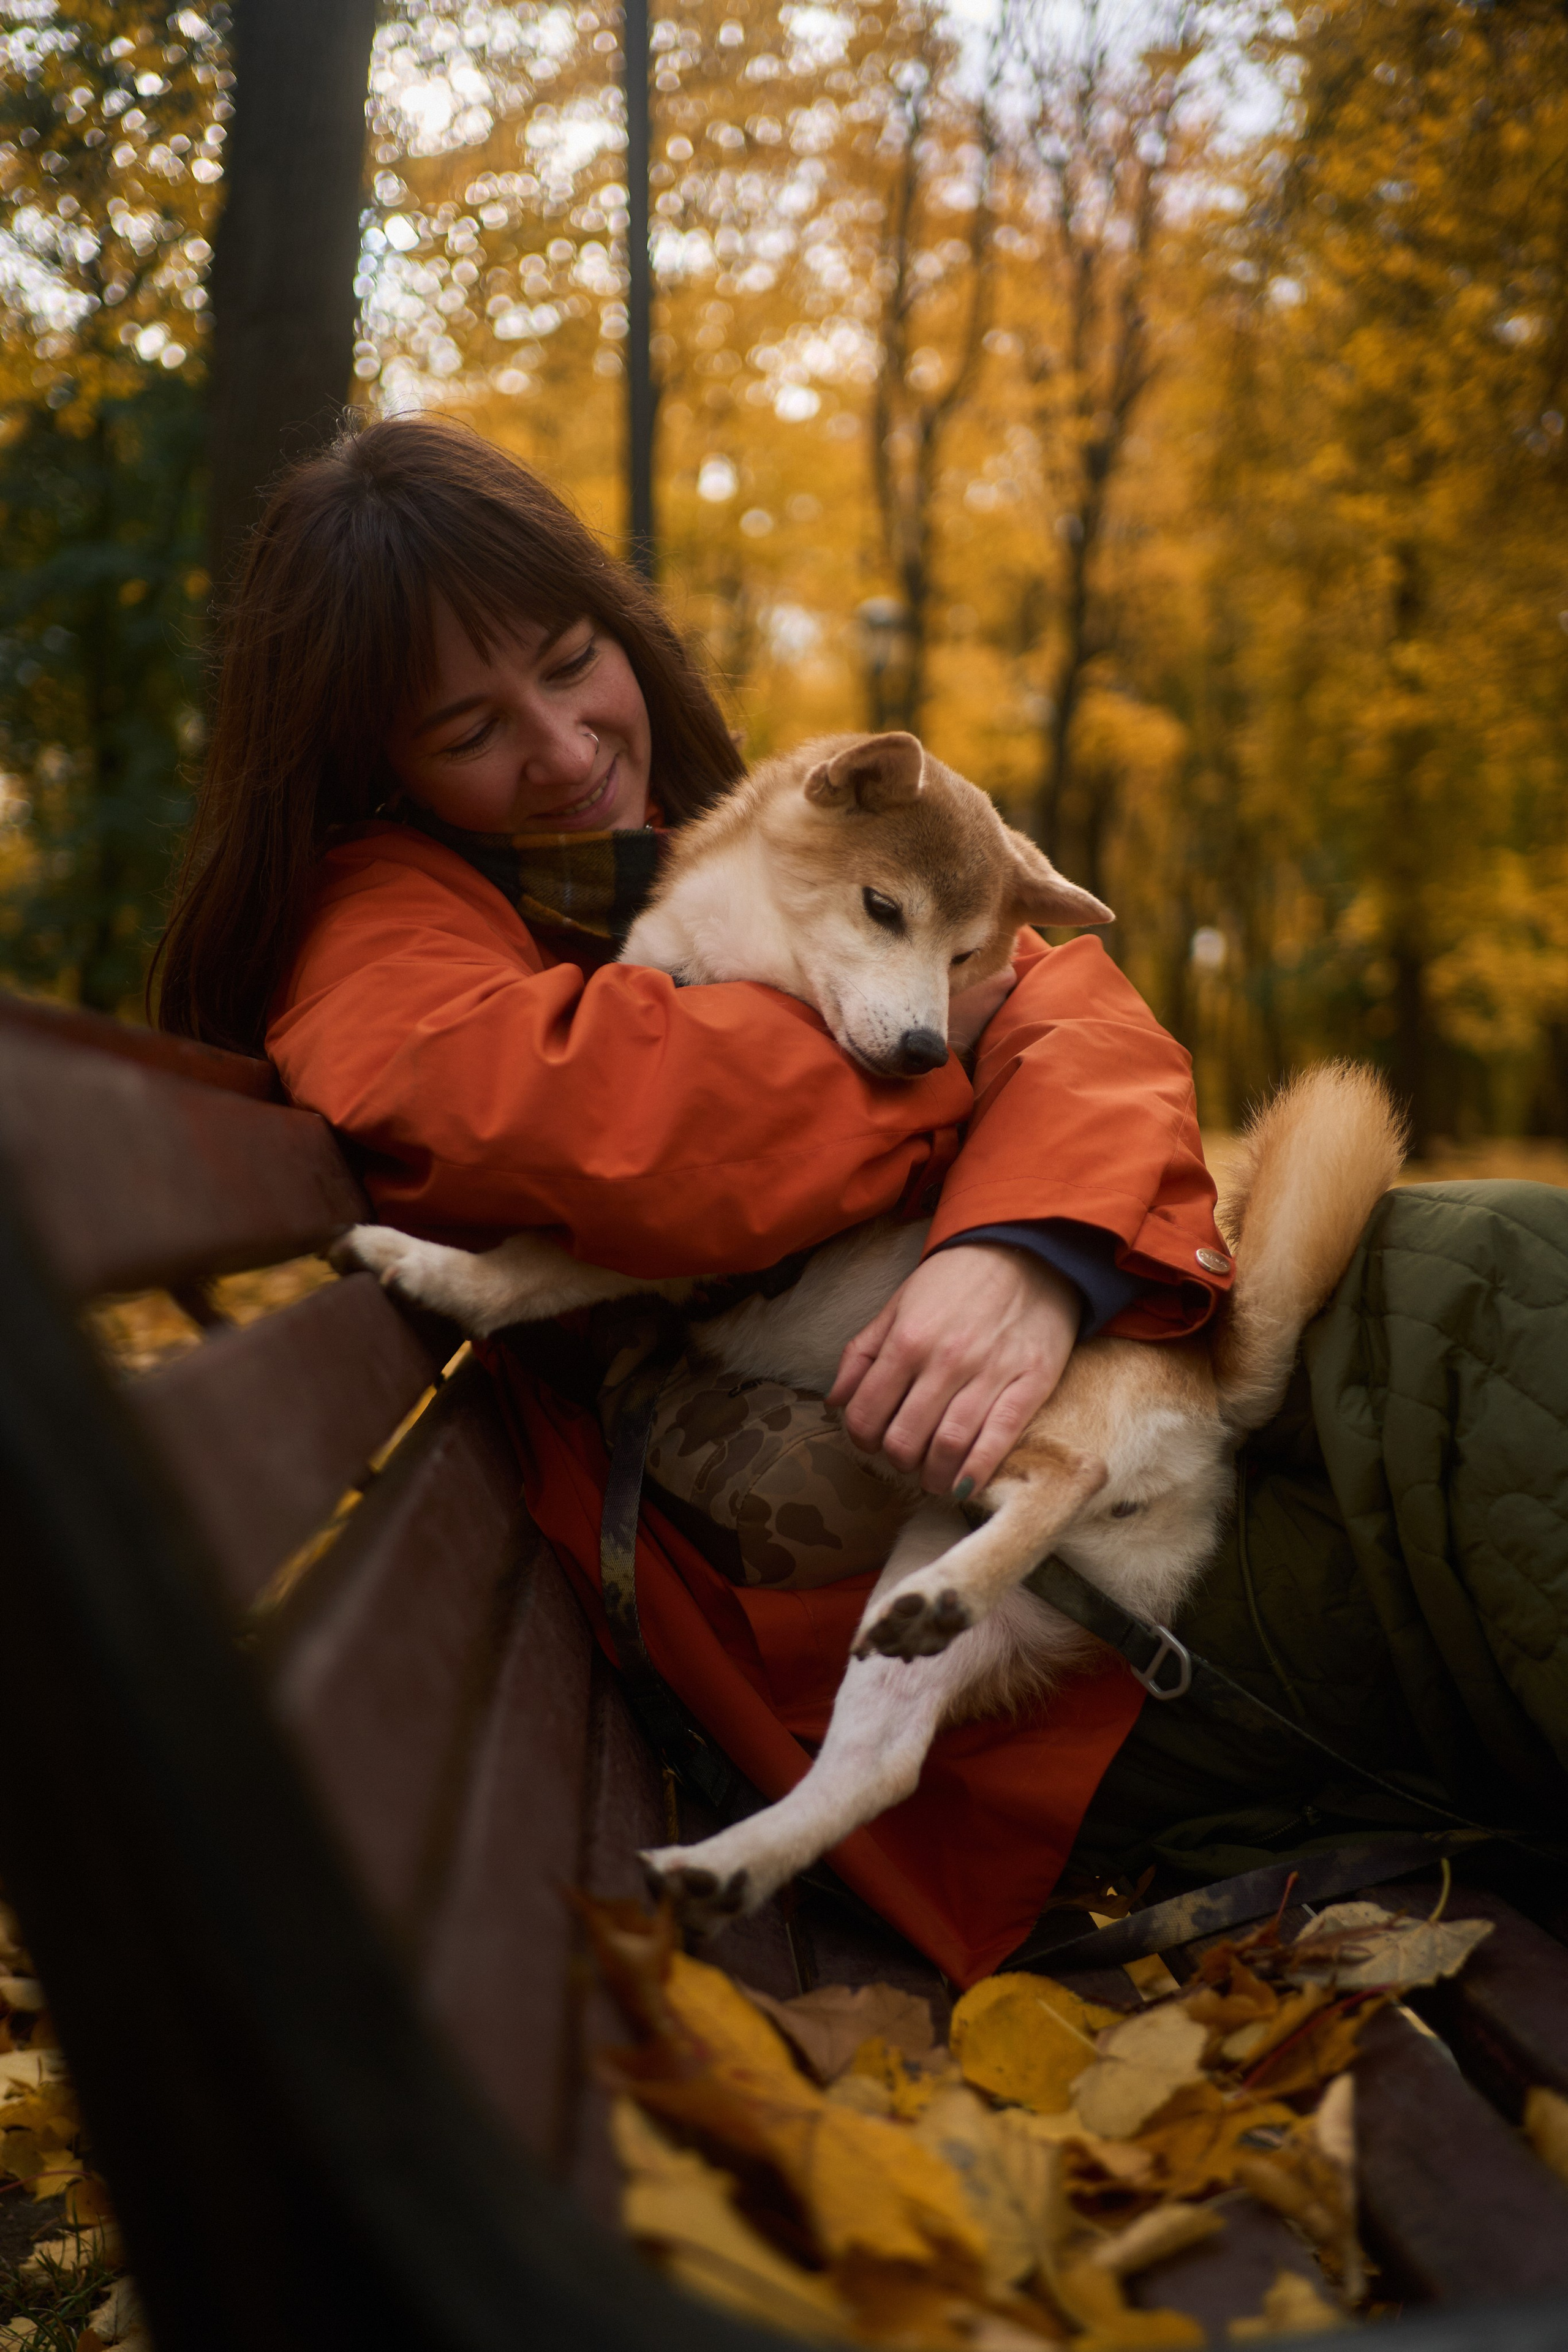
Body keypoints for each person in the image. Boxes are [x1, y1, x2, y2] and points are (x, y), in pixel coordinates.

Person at [156, 415, 1568, 1980]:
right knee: (1483, 1385)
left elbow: (1075, 1014)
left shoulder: (748, 836)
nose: (559, 747)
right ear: (373, 763)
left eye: (569, 662)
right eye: (469, 727)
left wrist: (1028, 1252)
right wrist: (947, 1055)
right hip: (931, 1619)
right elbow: (585, 1117)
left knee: (1481, 1267)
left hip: (1068, 1377)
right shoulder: (376, 926)